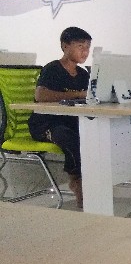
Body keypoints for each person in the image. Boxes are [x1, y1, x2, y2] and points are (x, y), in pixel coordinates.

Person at [28, 26, 91, 208]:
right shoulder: (52, 69)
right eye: (80, 46)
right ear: (65, 46)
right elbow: (40, 95)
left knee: (90, 135)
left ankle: (91, 180)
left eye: (87, 47)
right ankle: (77, 182)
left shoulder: (83, 74)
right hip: (45, 123)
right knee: (70, 138)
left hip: (70, 121)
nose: (85, 51)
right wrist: (76, 94)